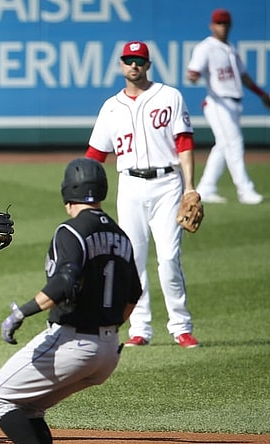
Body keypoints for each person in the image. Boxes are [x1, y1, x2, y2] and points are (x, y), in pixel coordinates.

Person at [0, 157, 142, 444]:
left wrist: (21, 312)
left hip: (72, 344)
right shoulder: (121, 236)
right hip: (108, 353)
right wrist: (106, 329)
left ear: (68, 192)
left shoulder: (71, 230)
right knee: (29, 408)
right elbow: (133, 295)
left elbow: (63, 282)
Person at [85, 41, 201, 349]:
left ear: (148, 65)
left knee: (169, 258)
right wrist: (85, 196)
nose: (134, 65)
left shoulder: (169, 96)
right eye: (128, 60)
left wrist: (190, 187)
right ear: (121, 65)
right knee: (132, 260)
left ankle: (180, 327)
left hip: (168, 184)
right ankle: (140, 327)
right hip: (131, 186)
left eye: (139, 60)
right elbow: (95, 155)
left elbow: (185, 143)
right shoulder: (111, 106)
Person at [187, 8, 269, 205]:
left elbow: (244, 76)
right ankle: (245, 190)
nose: (222, 27)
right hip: (218, 102)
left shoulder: (230, 49)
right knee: (234, 143)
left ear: (230, 25)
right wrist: (194, 75)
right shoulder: (206, 47)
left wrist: (261, 94)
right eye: (218, 23)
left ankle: (206, 187)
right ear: (212, 25)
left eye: (225, 23)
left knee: (223, 146)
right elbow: (193, 71)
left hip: (233, 102)